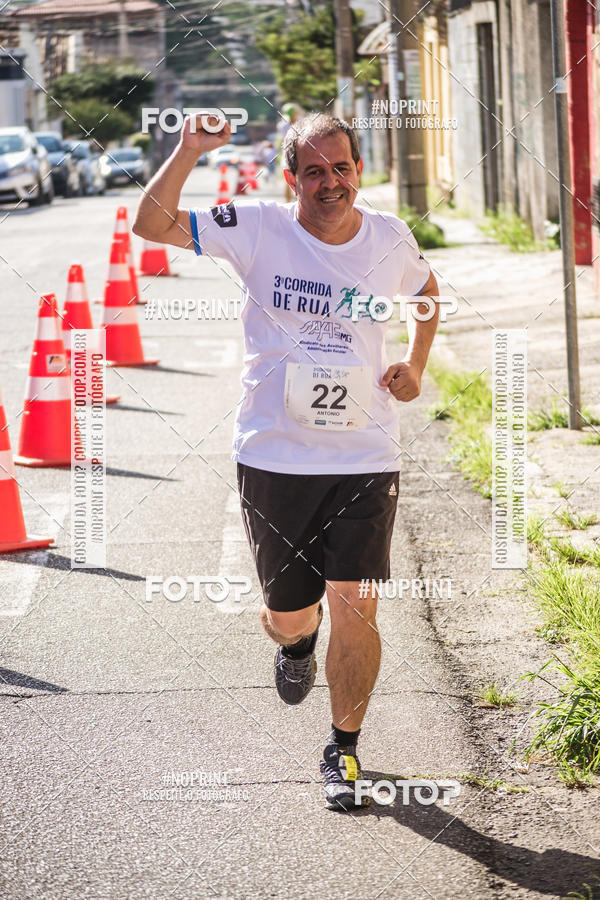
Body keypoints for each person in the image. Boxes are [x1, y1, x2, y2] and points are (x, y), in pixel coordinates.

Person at [132, 111, 439, 812]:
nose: (331, 183)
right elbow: (152, 225)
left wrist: (415, 365)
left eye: (342, 168)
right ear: (291, 178)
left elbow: (426, 294)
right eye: (314, 171)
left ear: (359, 170)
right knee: (290, 615)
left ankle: (344, 748)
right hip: (275, 456)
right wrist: (188, 150)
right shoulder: (257, 227)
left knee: (357, 604)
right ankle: (297, 646)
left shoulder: (390, 236)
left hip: (365, 453)